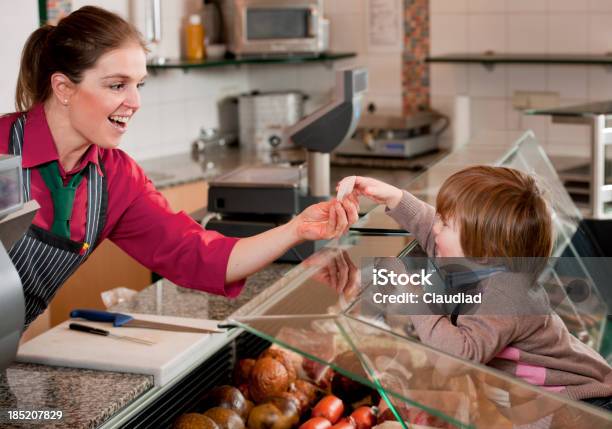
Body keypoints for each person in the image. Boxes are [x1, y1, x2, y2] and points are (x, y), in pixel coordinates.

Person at [0, 6, 359, 327]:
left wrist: (296, 230)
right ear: (63, 87)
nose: (135, 101)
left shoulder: (115, 177)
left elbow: (196, 254)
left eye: (139, 84)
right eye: (117, 85)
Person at [348, 167, 612, 411]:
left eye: (446, 223)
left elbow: (455, 358)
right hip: (544, 403)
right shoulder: (479, 261)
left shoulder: (508, 294)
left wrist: (409, 291)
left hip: (587, 404)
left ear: (484, 247)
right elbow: (432, 230)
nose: (435, 228)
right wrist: (394, 197)